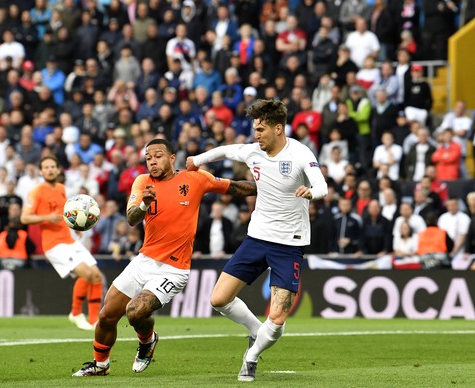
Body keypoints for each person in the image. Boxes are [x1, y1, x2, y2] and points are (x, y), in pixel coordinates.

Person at [72, 138, 257, 377]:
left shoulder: (195, 178)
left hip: (173, 268)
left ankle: (147, 341)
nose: (152, 161)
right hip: (144, 261)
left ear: (172, 158)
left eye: (158, 155)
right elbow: (131, 218)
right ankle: (100, 365)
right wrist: (144, 205)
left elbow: (235, 187)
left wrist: (271, 186)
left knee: (135, 311)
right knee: (107, 315)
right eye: (148, 158)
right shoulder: (142, 182)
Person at [186, 99, 328, 382]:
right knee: (219, 299)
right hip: (257, 238)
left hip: (289, 243)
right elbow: (227, 151)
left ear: (278, 128)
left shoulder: (299, 153)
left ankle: (251, 357)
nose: (256, 135)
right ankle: (254, 331)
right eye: (254, 129)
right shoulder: (253, 151)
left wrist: (312, 193)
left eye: (261, 129)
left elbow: (322, 184)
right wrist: (197, 161)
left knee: (276, 318)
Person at [21, 156, 103, 331]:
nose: (50, 170)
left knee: (96, 275)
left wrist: (76, 225)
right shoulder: (36, 192)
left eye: (52, 167)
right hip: (54, 245)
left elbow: (66, 212)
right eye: (46, 167)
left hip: (69, 240)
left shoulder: (61, 188)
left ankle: (95, 320)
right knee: (86, 274)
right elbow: (24, 217)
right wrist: (46, 217)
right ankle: (75, 313)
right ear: (41, 171)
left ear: (58, 170)